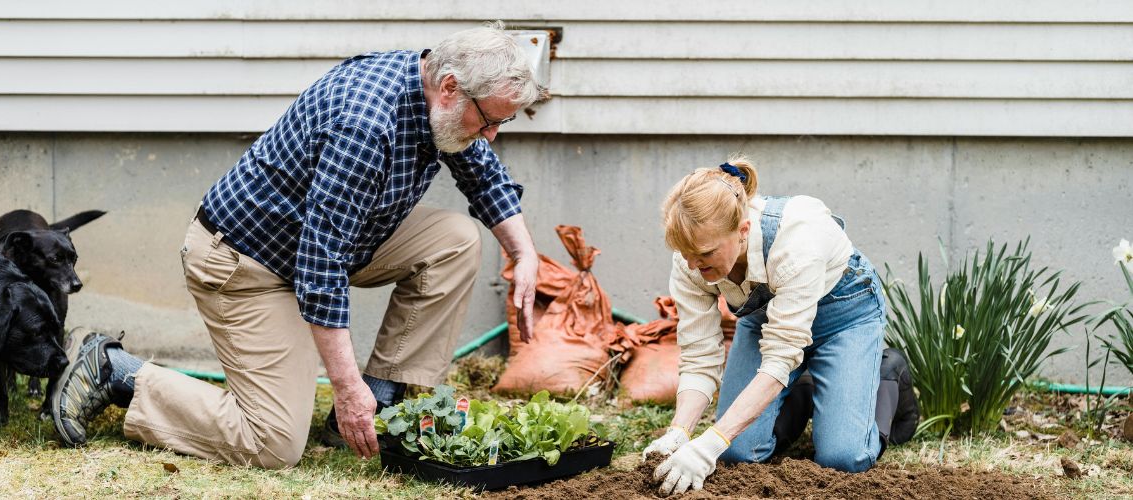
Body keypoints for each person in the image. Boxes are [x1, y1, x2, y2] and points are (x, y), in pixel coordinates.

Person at [49, 22, 545, 468]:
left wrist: (523, 254)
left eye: (502, 123)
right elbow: (320, 265)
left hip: (328, 241)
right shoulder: (366, 124)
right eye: (488, 121)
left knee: (454, 241)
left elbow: (481, 173)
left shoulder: (436, 89)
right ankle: (117, 371)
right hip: (245, 265)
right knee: (273, 443)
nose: (492, 135)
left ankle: (384, 399)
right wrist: (345, 388)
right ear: (450, 88)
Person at [643, 154, 917, 495]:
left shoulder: (796, 241)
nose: (694, 266)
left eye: (706, 254)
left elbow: (777, 361)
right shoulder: (691, 258)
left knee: (844, 458)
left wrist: (708, 443)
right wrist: (680, 433)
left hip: (845, 317)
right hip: (769, 325)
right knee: (736, 452)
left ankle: (888, 376)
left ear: (742, 231)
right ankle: (802, 390)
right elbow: (700, 357)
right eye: (687, 254)